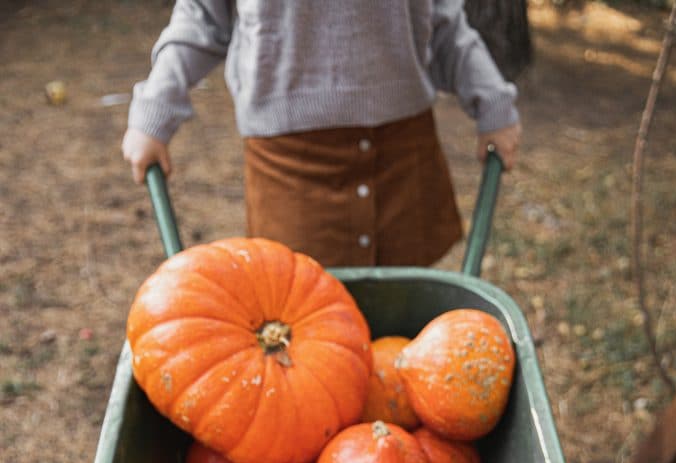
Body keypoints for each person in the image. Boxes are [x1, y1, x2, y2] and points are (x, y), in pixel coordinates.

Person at [122, 0, 521, 267]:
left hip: (404, 148)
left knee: (404, 320)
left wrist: (494, 104)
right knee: (301, 326)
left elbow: (444, 21)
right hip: (290, 162)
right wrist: (155, 110)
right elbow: (202, 19)